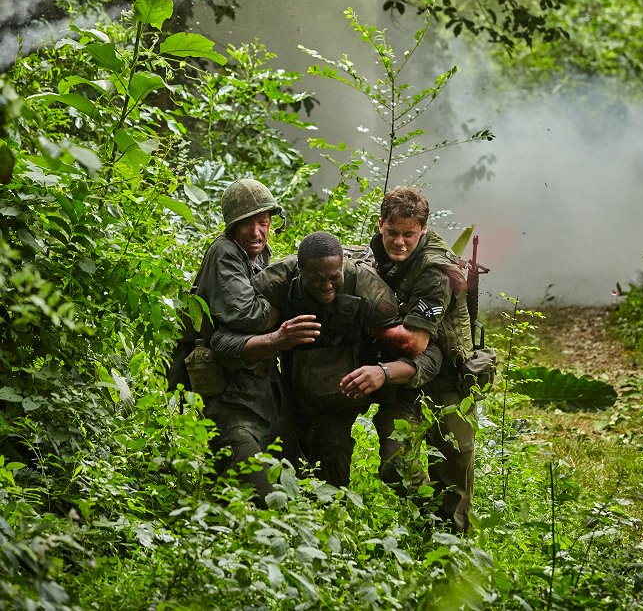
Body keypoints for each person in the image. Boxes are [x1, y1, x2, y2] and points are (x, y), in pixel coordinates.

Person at [211, 231, 442, 488]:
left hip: (339, 403)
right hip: (290, 398)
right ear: (300, 271)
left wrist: (383, 372)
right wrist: (276, 339)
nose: (327, 285)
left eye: (335, 277)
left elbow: (429, 354)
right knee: (284, 476)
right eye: (317, 279)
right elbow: (222, 341)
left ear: (343, 265)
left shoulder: (367, 289)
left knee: (333, 478)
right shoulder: (276, 283)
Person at [166, 177, 287, 504]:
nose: (257, 232)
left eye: (263, 222)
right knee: (254, 494)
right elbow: (249, 315)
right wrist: (279, 305)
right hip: (228, 392)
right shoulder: (224, 253)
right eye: (247, 224)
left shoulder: (260, 255)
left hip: (257, 390)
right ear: (233, 227)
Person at [368, 187, 475, 534]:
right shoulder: (376, 251)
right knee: (397, 465)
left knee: (454, 486)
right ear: (381, 225)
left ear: (423, 231)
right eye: (392, 233)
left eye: (409, 235)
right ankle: (425, 530)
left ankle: (453, 558)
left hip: (449, 386)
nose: (399, 242)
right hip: (404, 383)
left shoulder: (434, 270)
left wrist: (364, 320)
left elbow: (415, 341)